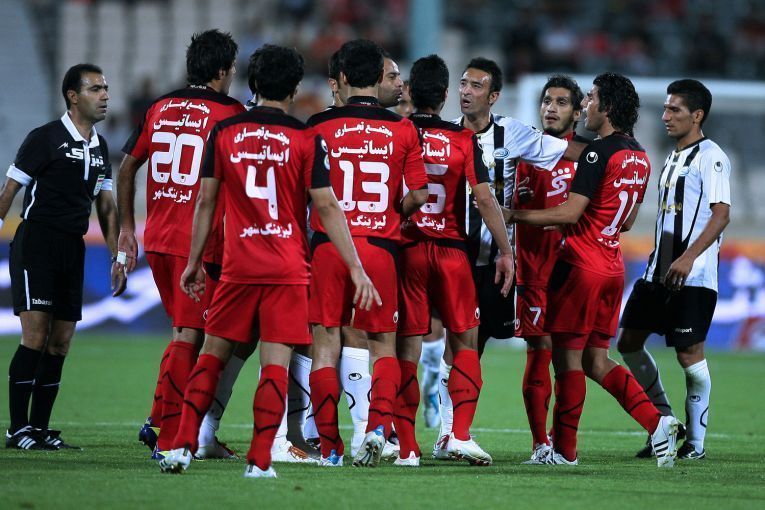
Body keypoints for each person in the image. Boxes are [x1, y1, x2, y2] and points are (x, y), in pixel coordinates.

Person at [158, 44, 379, 478]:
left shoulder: (224, 132)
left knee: (212, 354)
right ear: (295, 88)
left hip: (238, 266)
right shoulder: (306, 139)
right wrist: (356, 268)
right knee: (274, 364)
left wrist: (194, 261)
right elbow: (327, 206)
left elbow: (206, 201)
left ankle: (181, 445)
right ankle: (260, 460)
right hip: (288, 268)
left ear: (253, 83)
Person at [504, 72, 681, 468]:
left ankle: (564, 452)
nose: (586, 105)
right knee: (596, 361)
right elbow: (628, 221)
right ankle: (657, 422)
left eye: (592, 98)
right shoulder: (641, 156)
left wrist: (513, 215)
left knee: (567, 362)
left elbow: (570, 212)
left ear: (608, 107)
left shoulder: (596, 153)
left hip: (580, 267)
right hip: (612, 266)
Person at [433, 57, 583, 459]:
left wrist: (614, 153)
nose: (466, 91)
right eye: (463, 84)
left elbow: (568, 150)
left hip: (496, 262)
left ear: (494, 96)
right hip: (454, 255)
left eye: (476, 86)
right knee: (456, 344)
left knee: (476, 343)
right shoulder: (446, 135)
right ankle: (447, 433)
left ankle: (451, 433)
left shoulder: (513, 133)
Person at [117, 29, 245, 457]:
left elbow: (127, 168)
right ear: (223, 70)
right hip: (199, 244)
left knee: (185, 332)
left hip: (158, 237)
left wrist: (127, 229)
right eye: (232, 68)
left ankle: (157, 420)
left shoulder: (159, 107)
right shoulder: (230, 112)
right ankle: (171, 438)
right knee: (192, 336)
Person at [306, 39, 428, 467]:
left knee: (325, 346)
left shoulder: (316, 125)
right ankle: (377, 428)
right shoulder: (403, 128)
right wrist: (394, 213)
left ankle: (330, 449)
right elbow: (420, 194)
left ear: (340, 78)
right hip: (380, 248)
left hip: (328, 247)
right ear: (379, 77)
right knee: (382, 346)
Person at [394, 55, 514, 467]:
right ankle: (458, 434)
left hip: (408, 249)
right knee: (465, 343)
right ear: (445, 95)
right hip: (451, 252)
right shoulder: (463, 139)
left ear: (409, 91)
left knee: (405, 348)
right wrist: (506, 251)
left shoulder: (398, 131)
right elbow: (484, 199)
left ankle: (406, 448)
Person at [2, 63, 125, 450]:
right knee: (35, 336)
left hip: (73, 247)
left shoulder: (100, 147)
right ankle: (17, 430)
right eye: (95, 89)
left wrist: (117, 256)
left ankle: (39, 429)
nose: (105, 95)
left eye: (105, 88)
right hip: (37, 243)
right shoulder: (45, 138)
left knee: (60, 343)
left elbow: (106, 206)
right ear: (73, 96)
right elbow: (9, 193)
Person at [617, 79, 731, 461]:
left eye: (674, 109)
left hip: (692, 275)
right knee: (628, 342)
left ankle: (695, 444)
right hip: (657, 272)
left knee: (689, 355)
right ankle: (665, 422)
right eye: (665, 108)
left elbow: (721, 214)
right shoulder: (672, 157)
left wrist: (688, 257)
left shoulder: (711, 156)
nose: (665, 116)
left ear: (697, 115)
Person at [513, 75, 586, 464]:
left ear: (577, 112)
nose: (550, 108)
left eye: (561, 102)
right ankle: (540, 443)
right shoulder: (524, 154)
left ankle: (564, 442)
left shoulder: (589, 158)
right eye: (546, 101)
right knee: (539, 349)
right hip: (535, 271)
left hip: (577, 271)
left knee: (573, 358)